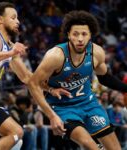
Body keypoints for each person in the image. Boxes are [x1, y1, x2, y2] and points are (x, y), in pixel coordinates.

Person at [0, 2, 70, 150]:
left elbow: (28, 78)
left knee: (16, 140)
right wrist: (11, 53)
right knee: (15, 132)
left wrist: (51, 89)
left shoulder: (9, 46)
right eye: (13, 18)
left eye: (18, 18)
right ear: (0, 20)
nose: (18, 21)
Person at [28, 10, 127, 150]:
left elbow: (105, 78)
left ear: (90, 35)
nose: (80, 38)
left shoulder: (96, 52)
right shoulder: (55, 56)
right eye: (75, 34)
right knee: (89, 145)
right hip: (62, 107)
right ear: (68, 34)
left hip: (89, 103)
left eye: (84, 34)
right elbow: (33, 83)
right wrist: (51, 115)